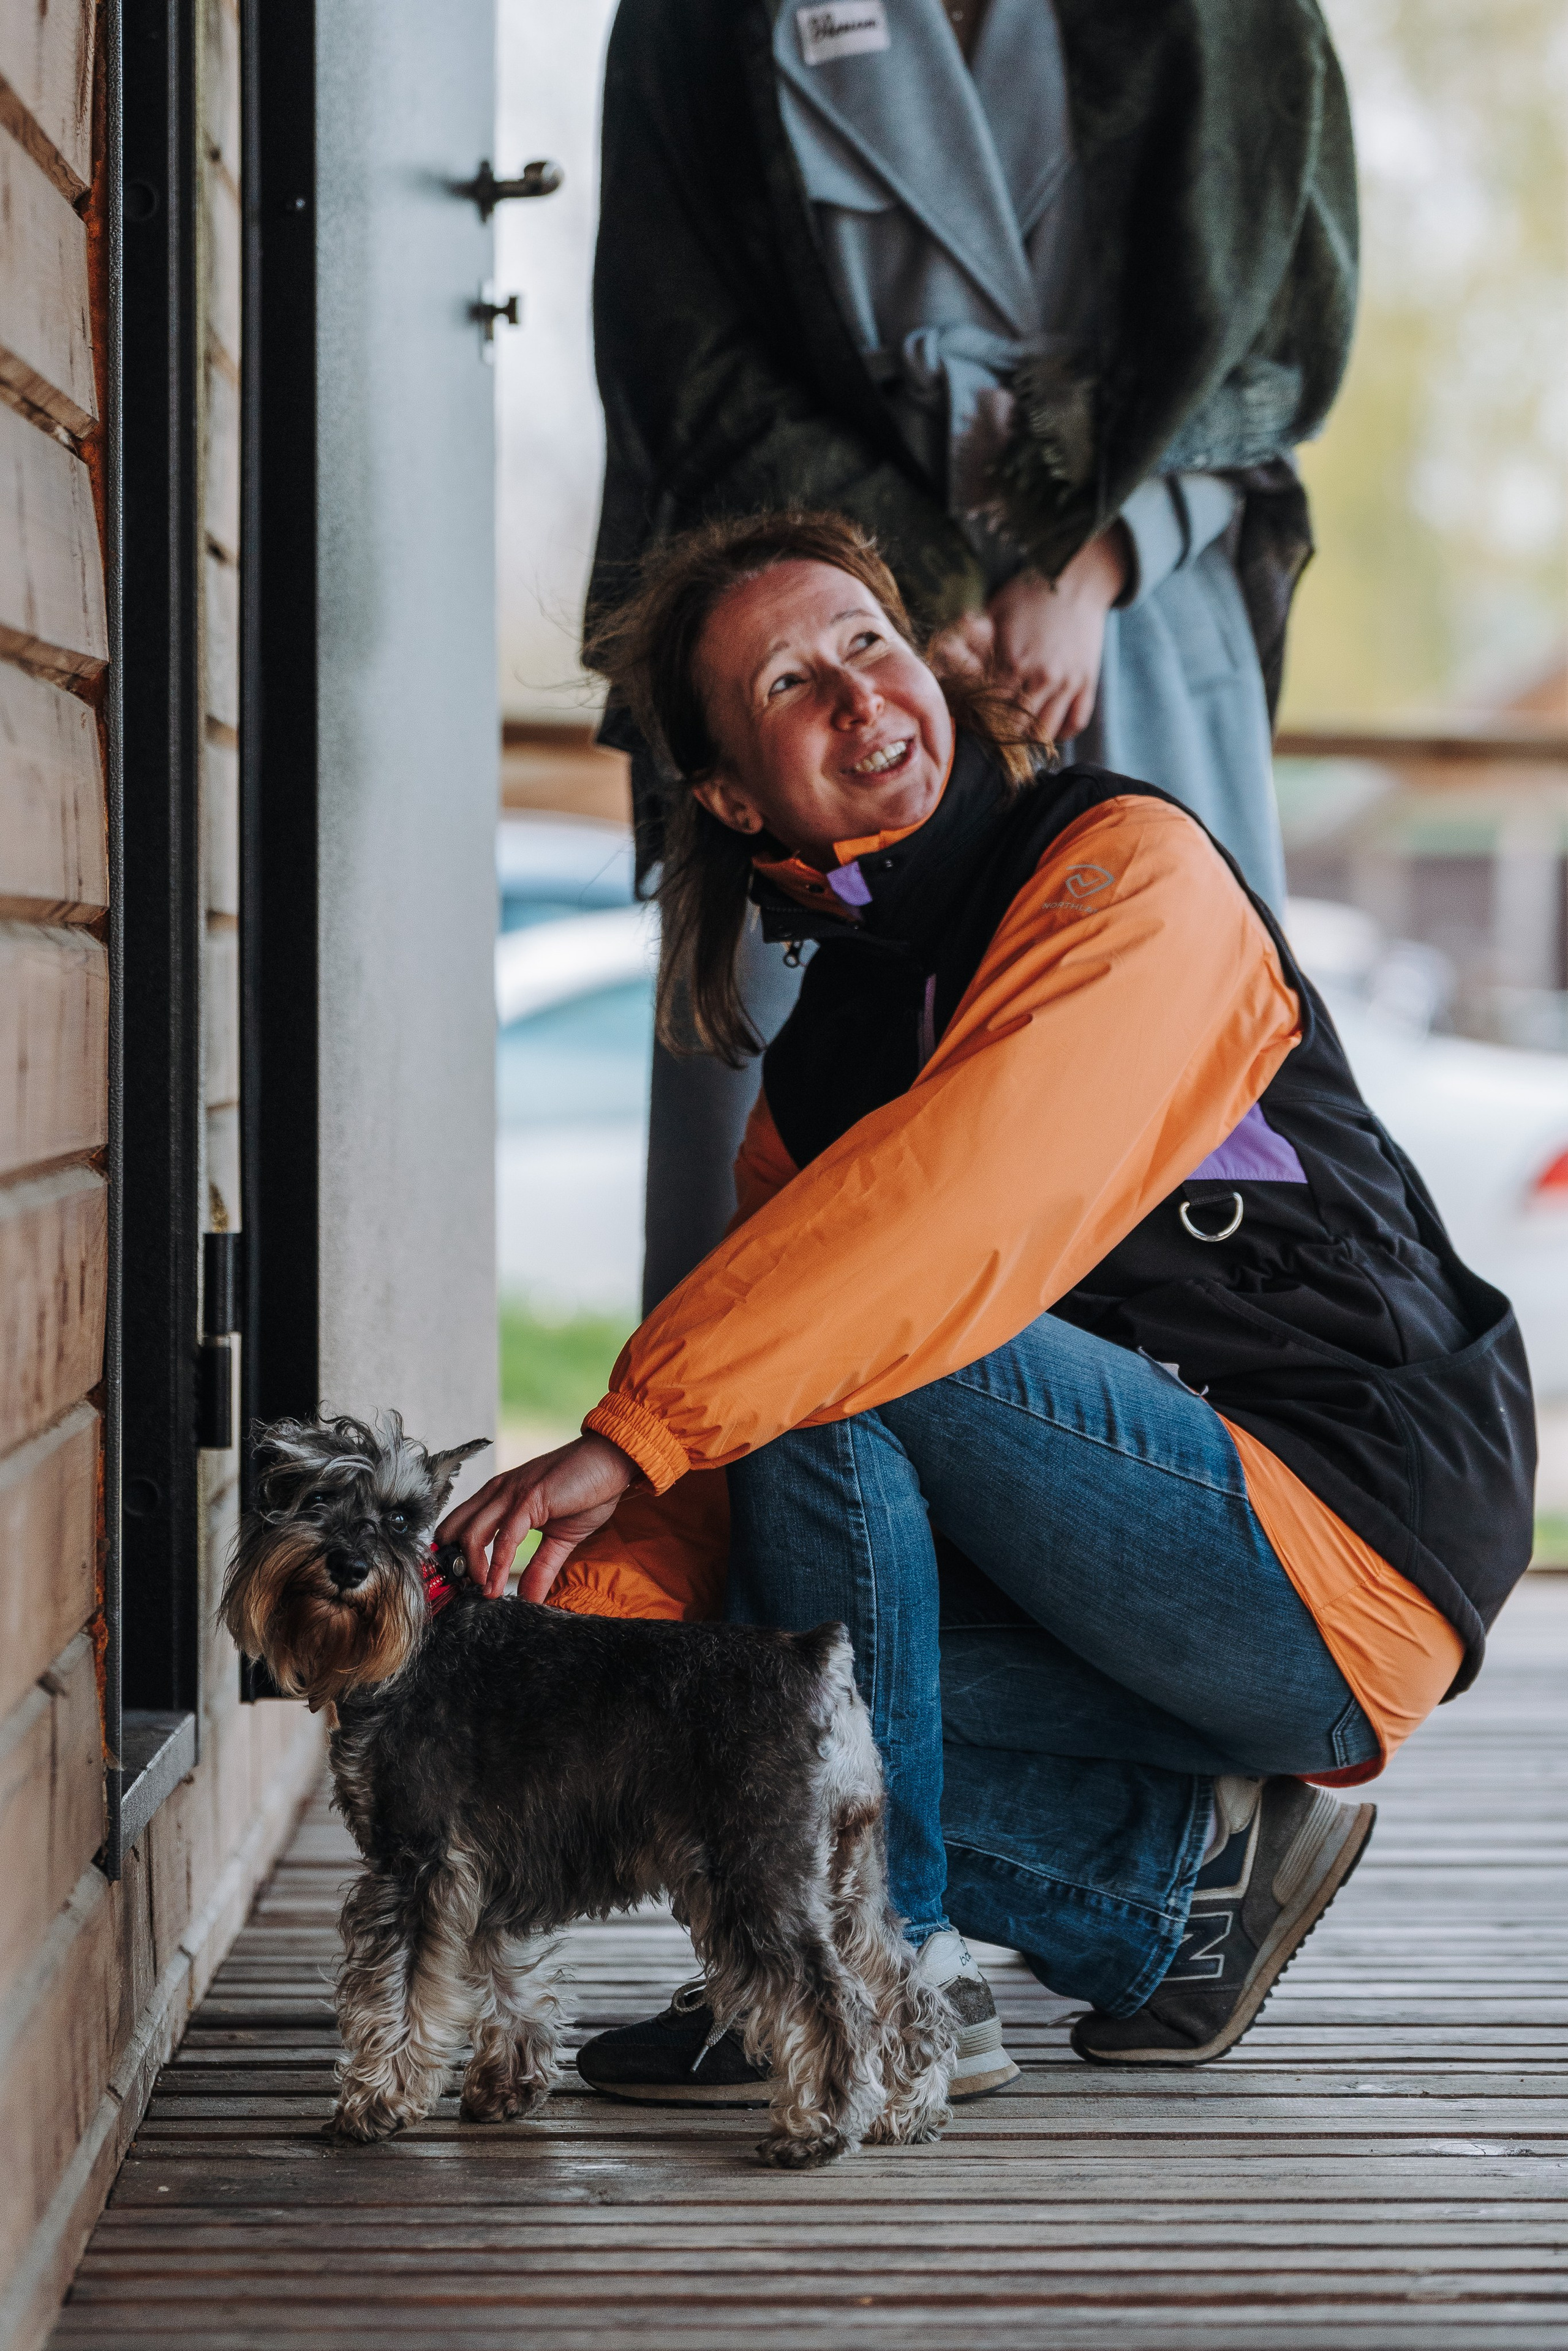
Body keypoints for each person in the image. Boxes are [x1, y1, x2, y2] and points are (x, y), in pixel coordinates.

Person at [444, 511, 1536, 2103]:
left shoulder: (1122, 867)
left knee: (832, 1349)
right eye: (790, 683)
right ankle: (1181, 1890)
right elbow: (758, 1479)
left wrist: (631, 1428)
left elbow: (951, 1212)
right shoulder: (823, 1064)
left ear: (932, 659)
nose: (857, 696)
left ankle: (878, 1961)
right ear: (741, 794)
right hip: (1125, 1576)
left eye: (868, 642)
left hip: (1339, 1526)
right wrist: (555, 1617)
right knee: (709, 1682)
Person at [587, 0, 1359, 1305]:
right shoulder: (691, 23)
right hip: (811, 600)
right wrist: (892, 608)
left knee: (1174, 1118)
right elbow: (678, 343)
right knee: (785, 1200)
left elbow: (1282, 327)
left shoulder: (1248, 23)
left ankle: (1138, 1474)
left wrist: (1086, 558)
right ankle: (732, 1471)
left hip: (1137, 609)